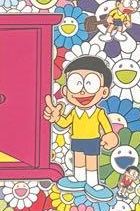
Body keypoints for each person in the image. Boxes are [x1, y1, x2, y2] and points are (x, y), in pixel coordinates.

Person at [43, 57, 119, 200]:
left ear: (104, 91)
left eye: (90, 84)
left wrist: (110, 135)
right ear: (65, 91)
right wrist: (56, 118)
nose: (83, 92)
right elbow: (64, 123)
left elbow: (107, 128)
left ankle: (93, 183)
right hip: (76, 139)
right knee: (78, 159)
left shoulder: (99, 113)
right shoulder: (73, 112)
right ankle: (79, 179)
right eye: (76, 84)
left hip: (93, 140)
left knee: (91, 161)